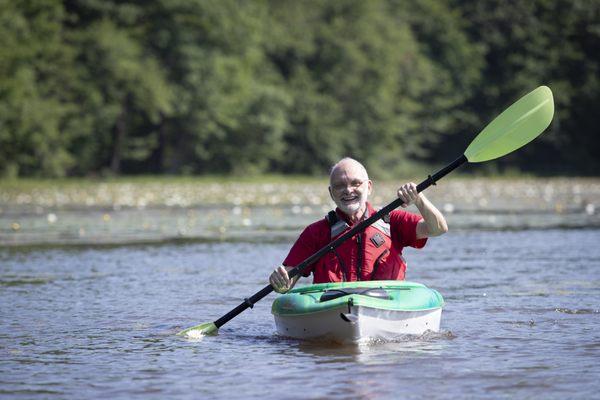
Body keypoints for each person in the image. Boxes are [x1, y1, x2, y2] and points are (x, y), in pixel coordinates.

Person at [269, 157, 448, 293]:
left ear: (369, 187)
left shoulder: (392, 220)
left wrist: (419, 199)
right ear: (331, 193)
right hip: (333, 306)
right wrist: (279, 282)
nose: (348, 190)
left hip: (384, 304)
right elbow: (287, 282)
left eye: (355, 183)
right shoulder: (315, 232)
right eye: (339, 186)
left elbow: (438, 228)